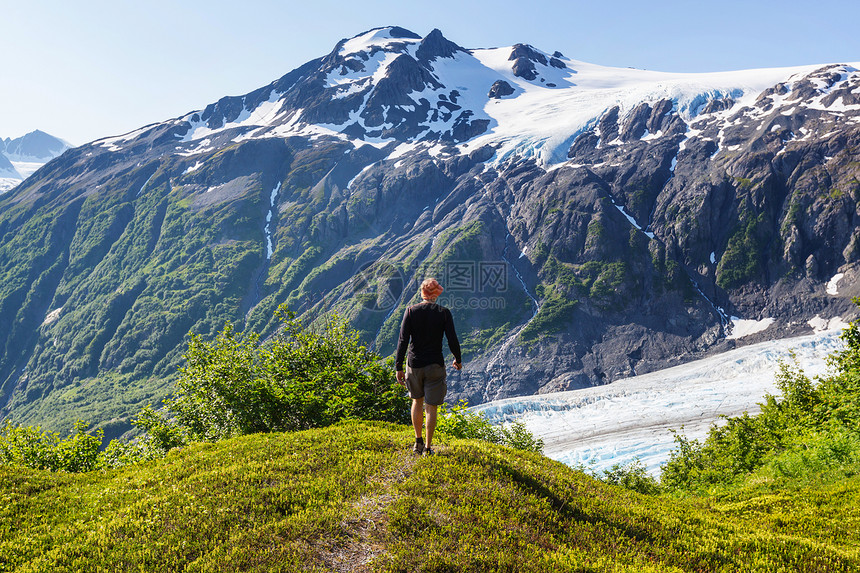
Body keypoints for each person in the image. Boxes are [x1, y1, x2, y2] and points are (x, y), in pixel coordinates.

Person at [395, 277, 463, 456]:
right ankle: (427, 447)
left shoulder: (410, 311)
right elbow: (452, 339)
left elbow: (403, 341)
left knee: (417, 401)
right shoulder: (444, 313)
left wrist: (398, 367)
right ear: (436, 294)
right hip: (435, 364)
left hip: (414, 364)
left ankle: (417, 442)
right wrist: (458, 358)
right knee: (431, 406)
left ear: (422, 294)